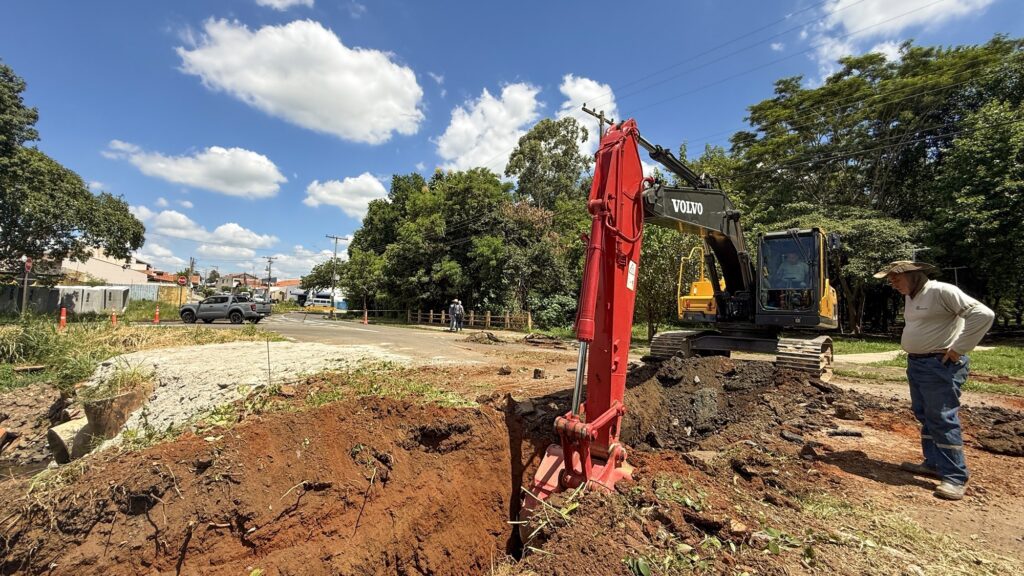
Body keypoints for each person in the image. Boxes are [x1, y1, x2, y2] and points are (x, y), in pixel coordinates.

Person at [873, 261, 994, 500]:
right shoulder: (912, 296)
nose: (892, 283)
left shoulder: (942, 291)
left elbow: (983, 314)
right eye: (890, 279)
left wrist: (959, 348)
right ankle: (933, 463)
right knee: (924, 414)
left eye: (896, 277)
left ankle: (955, 477)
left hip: (939, 365)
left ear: (914, 275)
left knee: (941, 417)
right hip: (918, 363)